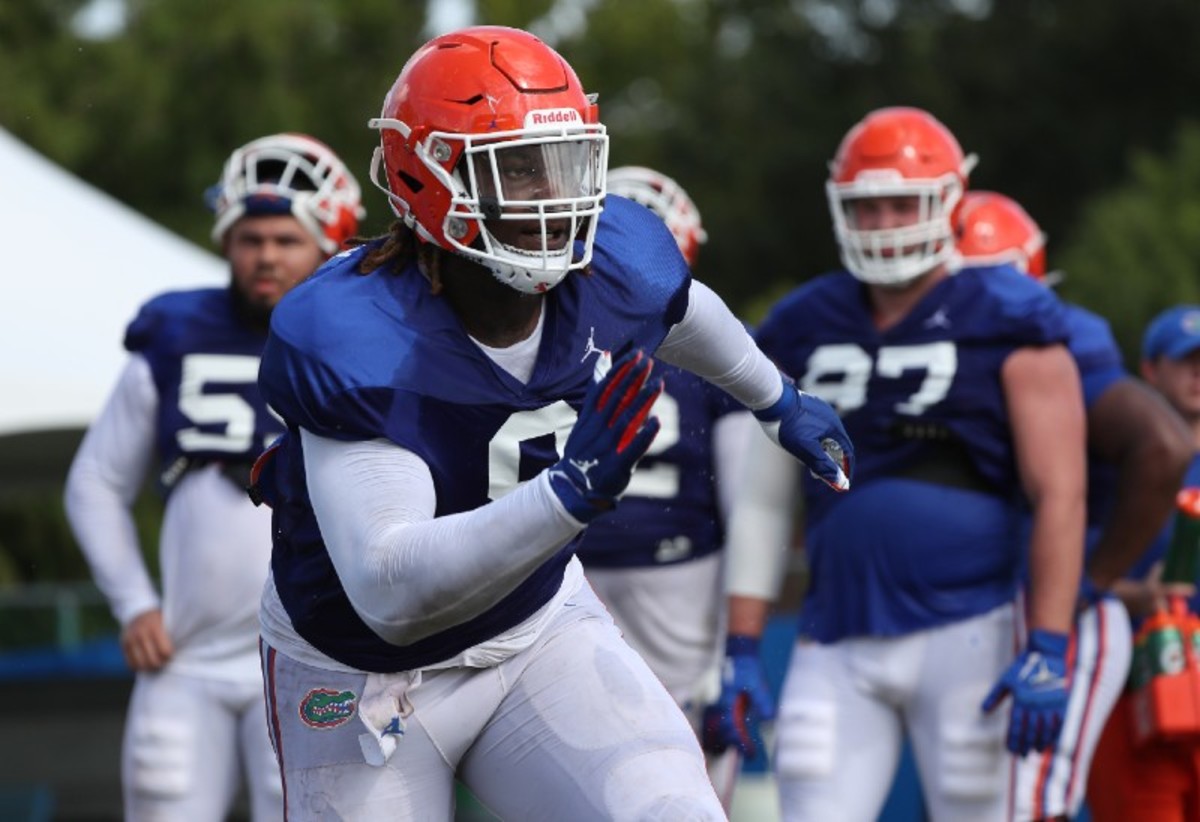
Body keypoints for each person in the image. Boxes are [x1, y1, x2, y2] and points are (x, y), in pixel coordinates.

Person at [249, 25, 853, 821]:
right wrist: (565, 498)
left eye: (565, 162)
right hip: (357, 669)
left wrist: (776, 399)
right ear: (428, 175)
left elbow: (682, 313)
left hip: (534, 628)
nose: (555, 196)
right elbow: (390, 594)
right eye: (520, 170)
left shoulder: (617, 259)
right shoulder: (359, 333)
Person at [706, 106, 1088, 821]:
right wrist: (744, 645)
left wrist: (1049, 642)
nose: (883, 223)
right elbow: (764, 499)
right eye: (866, 206)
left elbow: (1061, 493)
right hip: (837, 632)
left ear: (947, 201)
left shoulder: (1010, 311)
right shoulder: (802, 321)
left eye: (900, 203)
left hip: (971, 626)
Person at [63, 133, 365, 821]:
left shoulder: (362, 336)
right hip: (187, 658)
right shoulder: (176, 330)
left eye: (285, 239)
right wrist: (133, 602)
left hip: (314, 653)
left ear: (328, 242)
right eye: (250, 237)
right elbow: (96, 482)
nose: (265, 256)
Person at [957, 191, 1193, 820]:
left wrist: (1095, 581)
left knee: (1026, 801)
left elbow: (1159, 449)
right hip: (971, 606)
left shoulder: (1056, 344)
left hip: (1067, 616)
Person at [575, 165, 759, 807]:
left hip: (676, 576)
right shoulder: (555, 335)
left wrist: (736, 649)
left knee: (679, 764)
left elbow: (750, 505)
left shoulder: (560, 339)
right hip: (574, 571)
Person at [1087, 304, 1200, 822]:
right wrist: (1129, 593)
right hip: (1138, 683)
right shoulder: (1115, 461)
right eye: (1187, 360)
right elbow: (1068, 572)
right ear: (1150, 371)